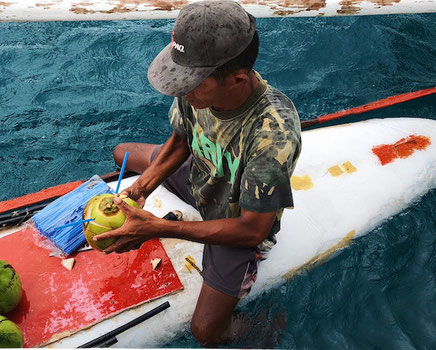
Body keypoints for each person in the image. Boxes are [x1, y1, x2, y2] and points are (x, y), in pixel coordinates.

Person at [93, 0, 302, 346]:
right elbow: (180, 141)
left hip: (235, 218)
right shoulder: (194, 86)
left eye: (189, 84)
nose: (180, 90)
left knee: (206, 332)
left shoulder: (272, 136)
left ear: (236, 79)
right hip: (200, 172)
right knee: (122, 154)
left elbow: (252, 230)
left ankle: (266, 330)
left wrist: (160, 228)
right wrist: (143, 187)